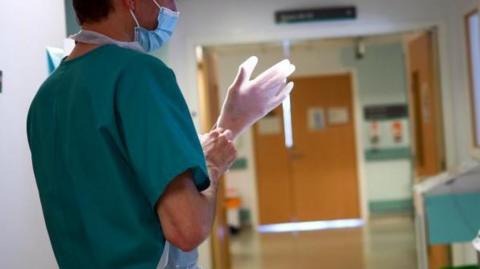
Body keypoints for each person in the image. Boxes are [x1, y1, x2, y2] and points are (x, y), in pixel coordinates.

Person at [26, 0, 295, 268]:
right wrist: (212, 167)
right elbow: (187, 228)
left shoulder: (45, 98)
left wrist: (231, 121)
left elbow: (117, 184)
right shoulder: (139, 75)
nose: (173, 6)